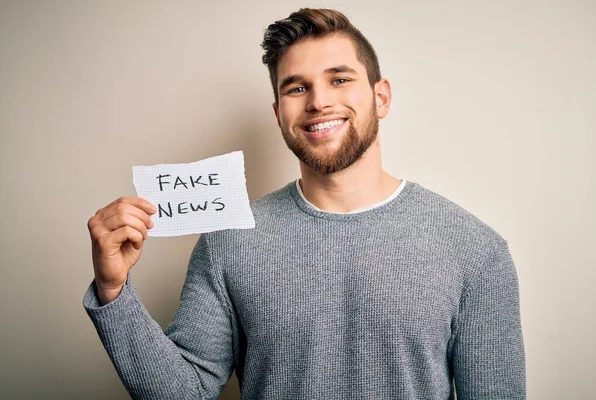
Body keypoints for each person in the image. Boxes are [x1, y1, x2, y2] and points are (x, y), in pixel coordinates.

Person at [84, 8, 526, 400]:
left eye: (339, 79)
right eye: (296, 88)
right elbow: (184, 392)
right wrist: (113, 291)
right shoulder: (226, 242)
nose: (319, 101)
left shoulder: (475, 250)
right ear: (279, 113)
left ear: (381, 96)